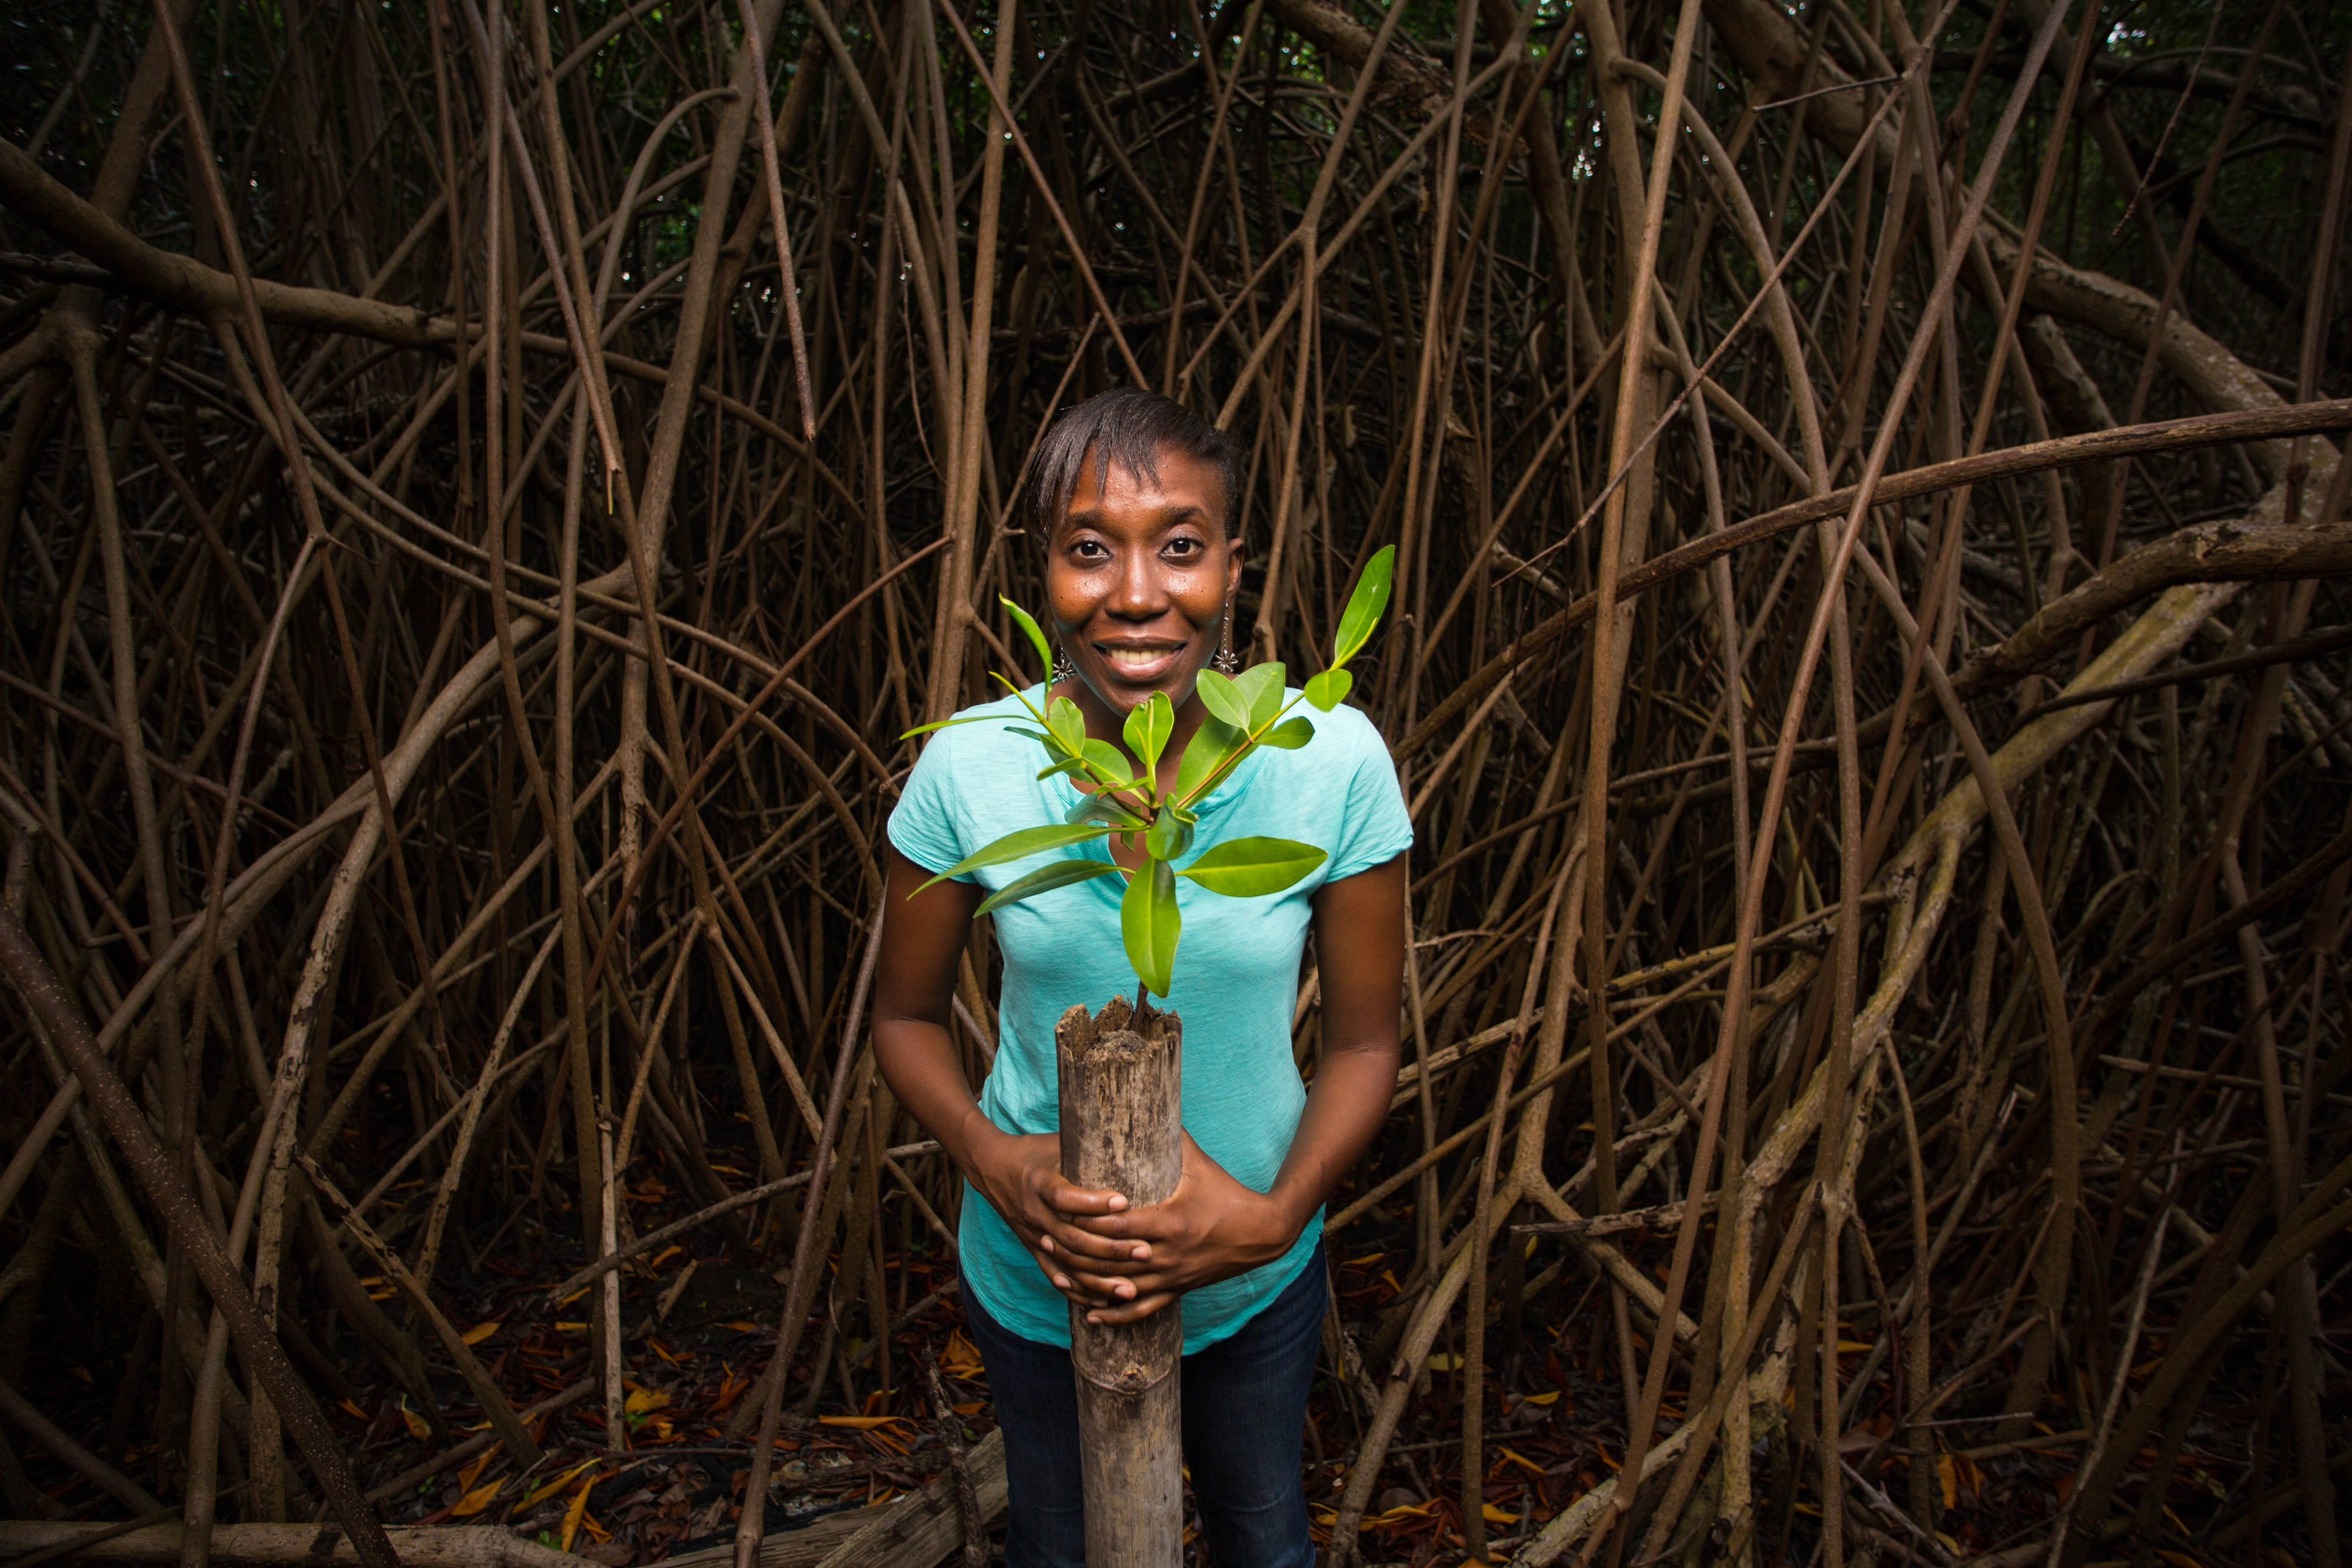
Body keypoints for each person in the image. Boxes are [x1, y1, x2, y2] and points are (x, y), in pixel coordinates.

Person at [874, 387, 1411, 1567]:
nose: (1133, 592)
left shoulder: (1328, 760)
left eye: (1178, 544)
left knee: (1265, 1542)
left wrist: (1269, 1224)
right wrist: (994, 1160)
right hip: (1034, 1271)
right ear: (1044, 572)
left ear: (1231, 562)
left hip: (1252, 1277)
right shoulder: (971, 768)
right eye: (1086, 548)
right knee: (1059, 1551)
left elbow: (1367, 1042)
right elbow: (902, 1017)